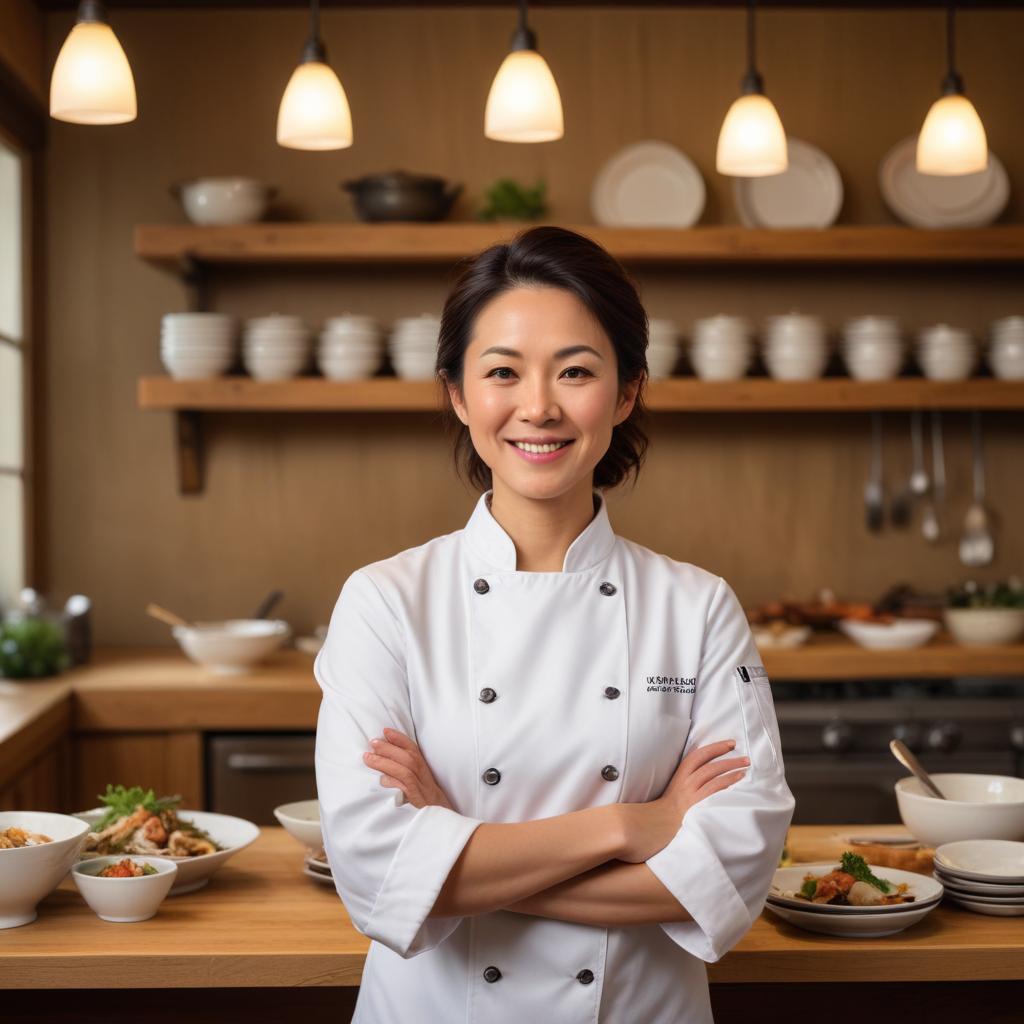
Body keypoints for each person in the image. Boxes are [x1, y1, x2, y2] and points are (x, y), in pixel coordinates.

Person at [314, 225, 795, 1024]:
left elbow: (736, 869)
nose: (538, 407)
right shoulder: (384, 601)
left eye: (575, 371)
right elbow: (375, 872)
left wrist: (457, 848)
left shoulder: (698, 606)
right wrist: (629, 826)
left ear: (628, 390)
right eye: (503, 371)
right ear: (460, 393)